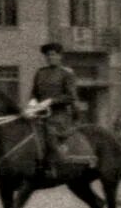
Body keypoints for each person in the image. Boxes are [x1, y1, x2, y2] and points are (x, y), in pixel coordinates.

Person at [29, 42, 92, 176]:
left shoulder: (66, 73)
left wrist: (51, 101)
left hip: (59, 115)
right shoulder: (40, 73)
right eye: (47, 55)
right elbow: (34, 93)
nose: (50, 57)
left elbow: (71, 97)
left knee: (49, 132)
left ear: (60, 56)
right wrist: (32, 103)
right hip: (40, 113)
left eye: (53, 55)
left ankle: (53, 165)